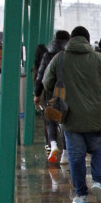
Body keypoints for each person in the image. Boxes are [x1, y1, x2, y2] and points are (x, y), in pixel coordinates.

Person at [43, 26, 101, 203]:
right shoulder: (100, 59)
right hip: (97, 117)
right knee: (100, 151)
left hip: (71, 118)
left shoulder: (60, 58)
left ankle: (81, 196)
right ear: (87, 39)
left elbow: (47, 82)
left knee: (76, 158)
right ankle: (98, 183)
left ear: (72, 39)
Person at [34, 30, 70, 164]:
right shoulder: (70, 55)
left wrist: (37, 94)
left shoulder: (47, 55)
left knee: (50, 120)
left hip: (51, 93)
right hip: (68, 93)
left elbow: (40, 76)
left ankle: (53, 144)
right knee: (66, 122)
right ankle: (65, 153)